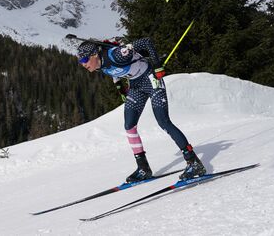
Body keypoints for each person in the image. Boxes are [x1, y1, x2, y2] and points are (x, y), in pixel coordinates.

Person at [76, 37, 206, 181]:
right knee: (129, 125)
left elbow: (146, 42)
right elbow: (114, 72)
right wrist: (120, 88)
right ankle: (143, 168)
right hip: (136, 85)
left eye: (84, 60)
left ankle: (194, 162)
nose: (83, 64)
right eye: (80, 61)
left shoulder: (117, 54)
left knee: (163, 121)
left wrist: (157, 66)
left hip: (151, 79)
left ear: (95, 55)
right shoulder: (99, 65)